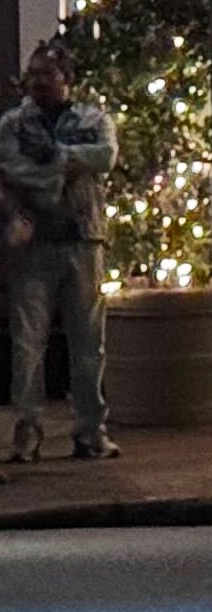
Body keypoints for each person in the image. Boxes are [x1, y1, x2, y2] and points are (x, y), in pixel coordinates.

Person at [0, 43, 120, 462]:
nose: (36, 82)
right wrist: (65, 169)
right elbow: (10, 166)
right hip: (32, 244)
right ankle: (28, 430)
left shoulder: (92, 118)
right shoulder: (13, 124)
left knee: (89, 342)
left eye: (46, 74)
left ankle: (90, 430)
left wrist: (57, 156)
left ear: (66, 79)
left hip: (82, 238)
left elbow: (105, 156)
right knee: (27, 343)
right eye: (32, 74)